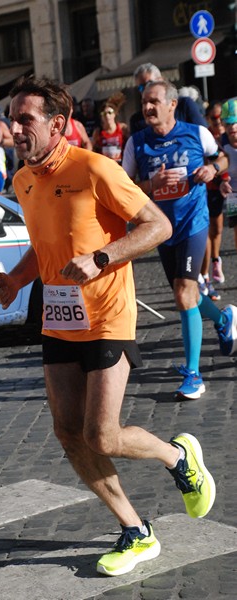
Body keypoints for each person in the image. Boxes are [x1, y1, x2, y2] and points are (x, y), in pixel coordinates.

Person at [0, 75, 216, 577]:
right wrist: (19, 281)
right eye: (13, 118)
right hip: (59, 315)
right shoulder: (22, 180)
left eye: (25, 118)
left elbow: (157, 225)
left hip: (109, 314)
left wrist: (102, 257)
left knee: (103, 434)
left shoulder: (94, 168)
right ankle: (137, 531)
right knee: (69, 433)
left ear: (58, 124)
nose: (15, 128)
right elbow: (45, 243)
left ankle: (177, 456)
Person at [122, 79, 236, 399]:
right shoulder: (137, 143)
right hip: (160, 228)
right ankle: (224, 317)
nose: (147, 108)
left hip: (193, 222)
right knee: (184, 292)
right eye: (144, 102)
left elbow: (222, 158)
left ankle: (194, 374)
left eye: (154, 101)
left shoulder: (195, 133)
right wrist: (152, 183)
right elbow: (126, 188)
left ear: (172, 105)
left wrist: (213, 171)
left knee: (184, 292)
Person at [199, 101, 227, 300]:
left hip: (224, 189)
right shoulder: (205, 136)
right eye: (214, 119)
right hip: (206, 189)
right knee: (207, 232)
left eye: (221, 119)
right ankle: (205, 277)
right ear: (208, 119)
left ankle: (216, 260)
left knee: (217, 230)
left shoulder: (228, 137)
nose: (218, 123)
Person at [130, 64, 207, 134]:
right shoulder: (137, 120)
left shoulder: (184, 105)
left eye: (150, 83)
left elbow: (203, 135)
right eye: (141, 87)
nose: (146, 88)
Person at [219, 98, 237, 251]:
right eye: (229, 123)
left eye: (236, 122)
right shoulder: (220, 144)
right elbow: (216, 166)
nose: (233, 127)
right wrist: (223, 181)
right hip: (233, 195)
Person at [92, 92, 129, 162]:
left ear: (114, 114)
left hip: (120, 165)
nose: (107, 116)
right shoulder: (98, 132)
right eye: (104, 114)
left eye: (110, 113)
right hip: (105, 167)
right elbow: (93, 151)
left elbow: (129, 147)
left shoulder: (122, 128)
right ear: (101, 117)